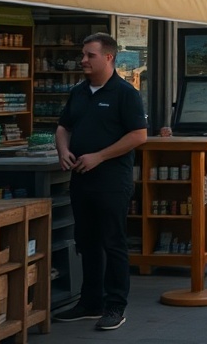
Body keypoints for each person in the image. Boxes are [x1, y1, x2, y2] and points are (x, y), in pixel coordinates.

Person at [54, 33, 148, 332]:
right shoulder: (79, 92)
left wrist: (100, 156)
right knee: (87, 242)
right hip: (81, 180)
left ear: (108, 57)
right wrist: (63, 150)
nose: (83, 59)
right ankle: (90, 302)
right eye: (83, 54)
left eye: (89, 55)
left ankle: (115, 305)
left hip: (111, 181)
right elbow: (63, 127)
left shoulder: (125, 93)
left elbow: (138, 135)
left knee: (113, 243)